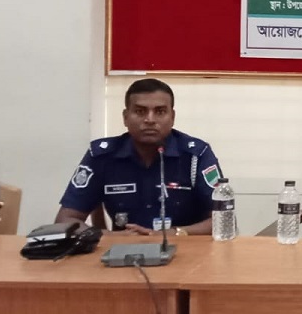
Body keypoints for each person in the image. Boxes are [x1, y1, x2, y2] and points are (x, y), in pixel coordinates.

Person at [55, 79, 222, 236]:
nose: (150, 119)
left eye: (160, 112)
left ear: (172, 117)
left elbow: (222, 220)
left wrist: (174, 233)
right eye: (140, 111)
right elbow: (65, 220)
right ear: (125, 117)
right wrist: (111, 237)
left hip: (186, 250)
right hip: (121, 250)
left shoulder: (196, 155)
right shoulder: (101, 156)